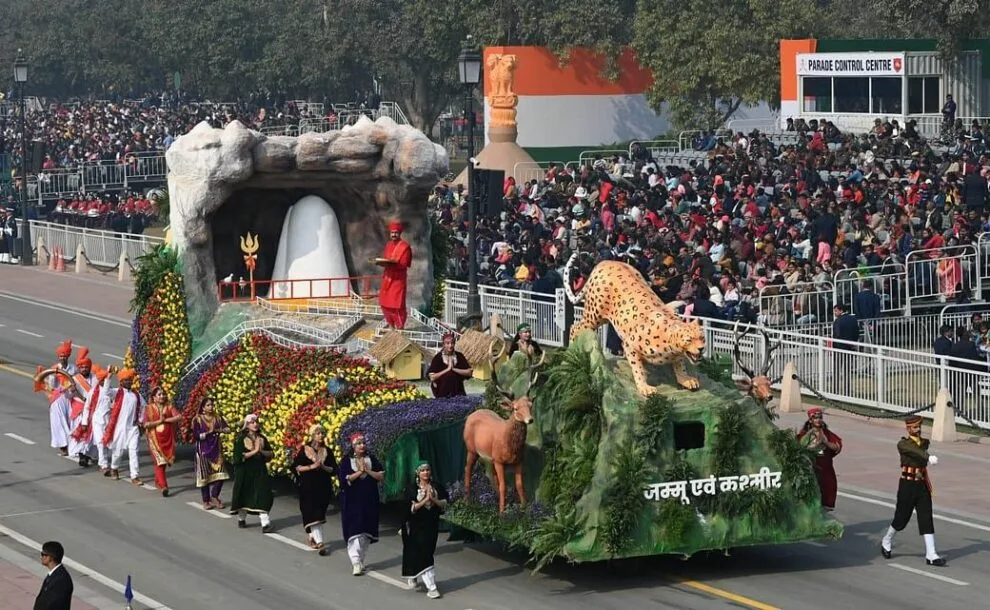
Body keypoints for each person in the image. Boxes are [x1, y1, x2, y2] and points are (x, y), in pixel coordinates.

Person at [880, 415, 946, 566]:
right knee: (901, 518)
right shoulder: (903, 444)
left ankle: (931, 554)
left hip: (921, 485)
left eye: (919, 426)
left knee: (926, 516)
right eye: (915, 427)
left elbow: (920, 450)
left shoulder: (924, 443)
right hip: (907, 485)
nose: (918, 429)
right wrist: (928, 457)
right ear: (908, 428)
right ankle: (887, 540)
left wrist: (926, 456)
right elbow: (914, 451)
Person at [338, 432, 385, 575]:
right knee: (355, 532)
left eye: (363, 443)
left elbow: (380, 476)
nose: (362, 446)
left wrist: (368, 471)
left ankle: (360, 560)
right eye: (359, 444)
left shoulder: (371, 459)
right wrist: (360, 472)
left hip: (369, 500)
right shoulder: (347, 461)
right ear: (353, 446)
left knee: (366, 534)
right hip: (352, 501)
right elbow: (345, 479)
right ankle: (355, 562)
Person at [401, 461, 448, 599]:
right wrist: (424, 500)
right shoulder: (411, 489)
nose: (425, 473)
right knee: (424, 554)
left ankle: (414, 573)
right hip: (417, 526)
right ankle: (432, 587)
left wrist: (433, 500)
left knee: (428, 550)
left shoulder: (436, 486)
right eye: (422, 470)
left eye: (427, 470)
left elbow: (444, 503)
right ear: (418, 473)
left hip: (431, 525)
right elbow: (411, 508)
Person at [292, 424, 337, 556]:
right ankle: (320, 543)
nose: (321, 436)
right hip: (308, 487)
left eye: (322, 433)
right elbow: (296, 467)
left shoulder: (327, 451)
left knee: (319, 513)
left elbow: (333, 469)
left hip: (323, 487)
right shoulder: (305, 450)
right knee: (313, 513)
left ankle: (312, 536)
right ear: (312, 435)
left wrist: (322, 466)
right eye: (318, 433)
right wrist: (311, 467)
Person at [100, 368, 145, 484]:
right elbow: (106, 392)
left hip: (133, 428)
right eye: (125, 380)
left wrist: (140, 420)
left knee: (134, 451)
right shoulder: (117, 392)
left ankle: (134, 476)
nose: (128, 382)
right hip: (120, 427)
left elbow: (144, 408)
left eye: (129, 379)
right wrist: (108, 377)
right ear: (121, 382)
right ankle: (114, 468)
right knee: (118, 451)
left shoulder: (136, 395)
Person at [231, 414, 275, 532]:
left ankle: (265, 524)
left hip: (260, 471)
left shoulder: (262, 438)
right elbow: (239, 457)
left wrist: (262, 452)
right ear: (247, 425)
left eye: (256, 422)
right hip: (244, 472)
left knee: (263, 495)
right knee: (244, 495)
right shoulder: (241, 439)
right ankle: (241, 518)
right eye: (252, 422)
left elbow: (271, 453)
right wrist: (255, 451)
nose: (255, 424)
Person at [796, 407, 842, 511]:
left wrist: (825, 442)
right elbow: (800, 447)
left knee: (827, 491)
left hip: (825, 470)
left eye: (820, 417)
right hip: (810, 469)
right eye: (815, 418)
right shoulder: (805, 434)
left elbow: (837, 446)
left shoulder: (826, 434)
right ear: (810, 420)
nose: (818, 420)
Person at [192, 397, 230, 510]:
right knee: (205, 477)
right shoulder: (198, 419)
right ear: (203, 408)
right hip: (203, 451)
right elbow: (196, 435)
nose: (211, 407)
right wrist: (209, 432)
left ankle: (214, 496)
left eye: (212, 405)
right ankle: (206, 500)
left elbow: (227, 428)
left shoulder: (217, 418)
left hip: (216, 449)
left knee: (222, 474)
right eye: (208, 405)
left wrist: (222, 430)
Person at [143, 387, 182, 497]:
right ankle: (164, 486)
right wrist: (158, 422)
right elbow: (145, 424)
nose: (162, 396)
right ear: (154, 398)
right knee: (160, 462)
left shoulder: (169, 407)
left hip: (167, 439)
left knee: (162, 462)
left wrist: (166, 420)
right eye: (159, 394)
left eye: (163, 394)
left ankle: (158, 481)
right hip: (154, 439)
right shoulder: (149, 408)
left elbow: (179, 416)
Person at [375, 220, 413, 329]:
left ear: (400, 233)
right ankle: (391, 326)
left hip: (398, 280)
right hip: (388, 277)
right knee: (384, 303)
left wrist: (389, 264)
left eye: (396, 233)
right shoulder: (388, 245)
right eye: (392, 233)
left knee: (397, 304)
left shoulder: (405, 247)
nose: (394, 235)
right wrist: (382, 263)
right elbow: (387, 259)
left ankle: (400, 327)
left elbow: (403, 264)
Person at [67, 349, 99, 467]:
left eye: (86, 367)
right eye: (82, 367)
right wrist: (71, 391)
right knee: (80, 432)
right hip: (79, 409)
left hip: (92, 409)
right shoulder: (74, 379)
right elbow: (67, 395)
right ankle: (81, 455)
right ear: (79, 368)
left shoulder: (95, 378)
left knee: (92, 433)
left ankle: (88, 454)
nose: (84, 369)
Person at [426, 332, 472, 398]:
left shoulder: (459, 356)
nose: (450, 346)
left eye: (452, 343)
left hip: (458, 391)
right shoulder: (438, 358)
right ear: (443, 344)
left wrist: (454, 369)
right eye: (447, 343)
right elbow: (432, 377)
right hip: (442, 392)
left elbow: (469, 372)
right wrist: (448, 369)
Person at [34, 541, 73, 610]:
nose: (41, 557)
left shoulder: (61, 580)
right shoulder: (53, 575)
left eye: (43, 554)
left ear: (51, 557)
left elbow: (54, 605)